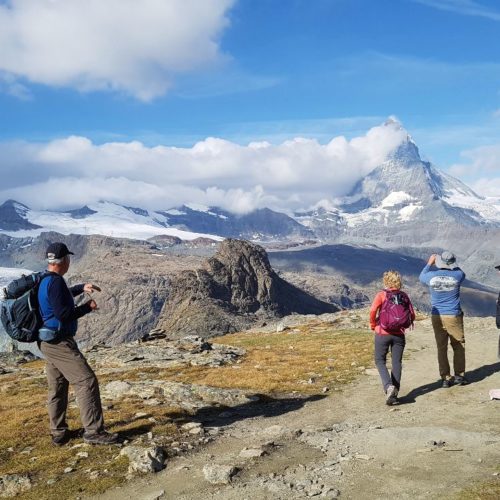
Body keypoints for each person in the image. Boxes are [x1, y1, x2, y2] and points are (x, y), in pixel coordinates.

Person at [37, 242, 118, 446]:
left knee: (58, 385)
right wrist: (87, 307)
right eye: (68, 258)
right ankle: (94, 432)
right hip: (58, 342)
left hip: (47, 341)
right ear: (64, 260)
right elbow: (63, 313)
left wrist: (81, 287)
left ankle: (59, 433)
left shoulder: (46, 279)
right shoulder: (55, 282)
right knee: (86, 380)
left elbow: (59, 299)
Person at [419, 251, 467, 388]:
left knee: (442, 347)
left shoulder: (430, 277)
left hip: (437, 315)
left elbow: (421, 275)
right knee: (458, 345)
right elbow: (461, 271)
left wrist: (430, 262)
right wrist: (452, 263)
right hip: (453, 315)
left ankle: (445, 378)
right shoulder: (457, 275)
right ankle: (459, 376)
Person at [370, 270, 415, 405]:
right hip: (399, 335)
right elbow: (412, 315)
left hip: (382, 333)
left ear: (386, 282)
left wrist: (373, 325)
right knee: (397, 363)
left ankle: (389, 387)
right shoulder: (404, 296)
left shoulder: (381, 295)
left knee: (379, 360)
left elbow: (373, 311)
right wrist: (402, 325)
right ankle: (394, 394)